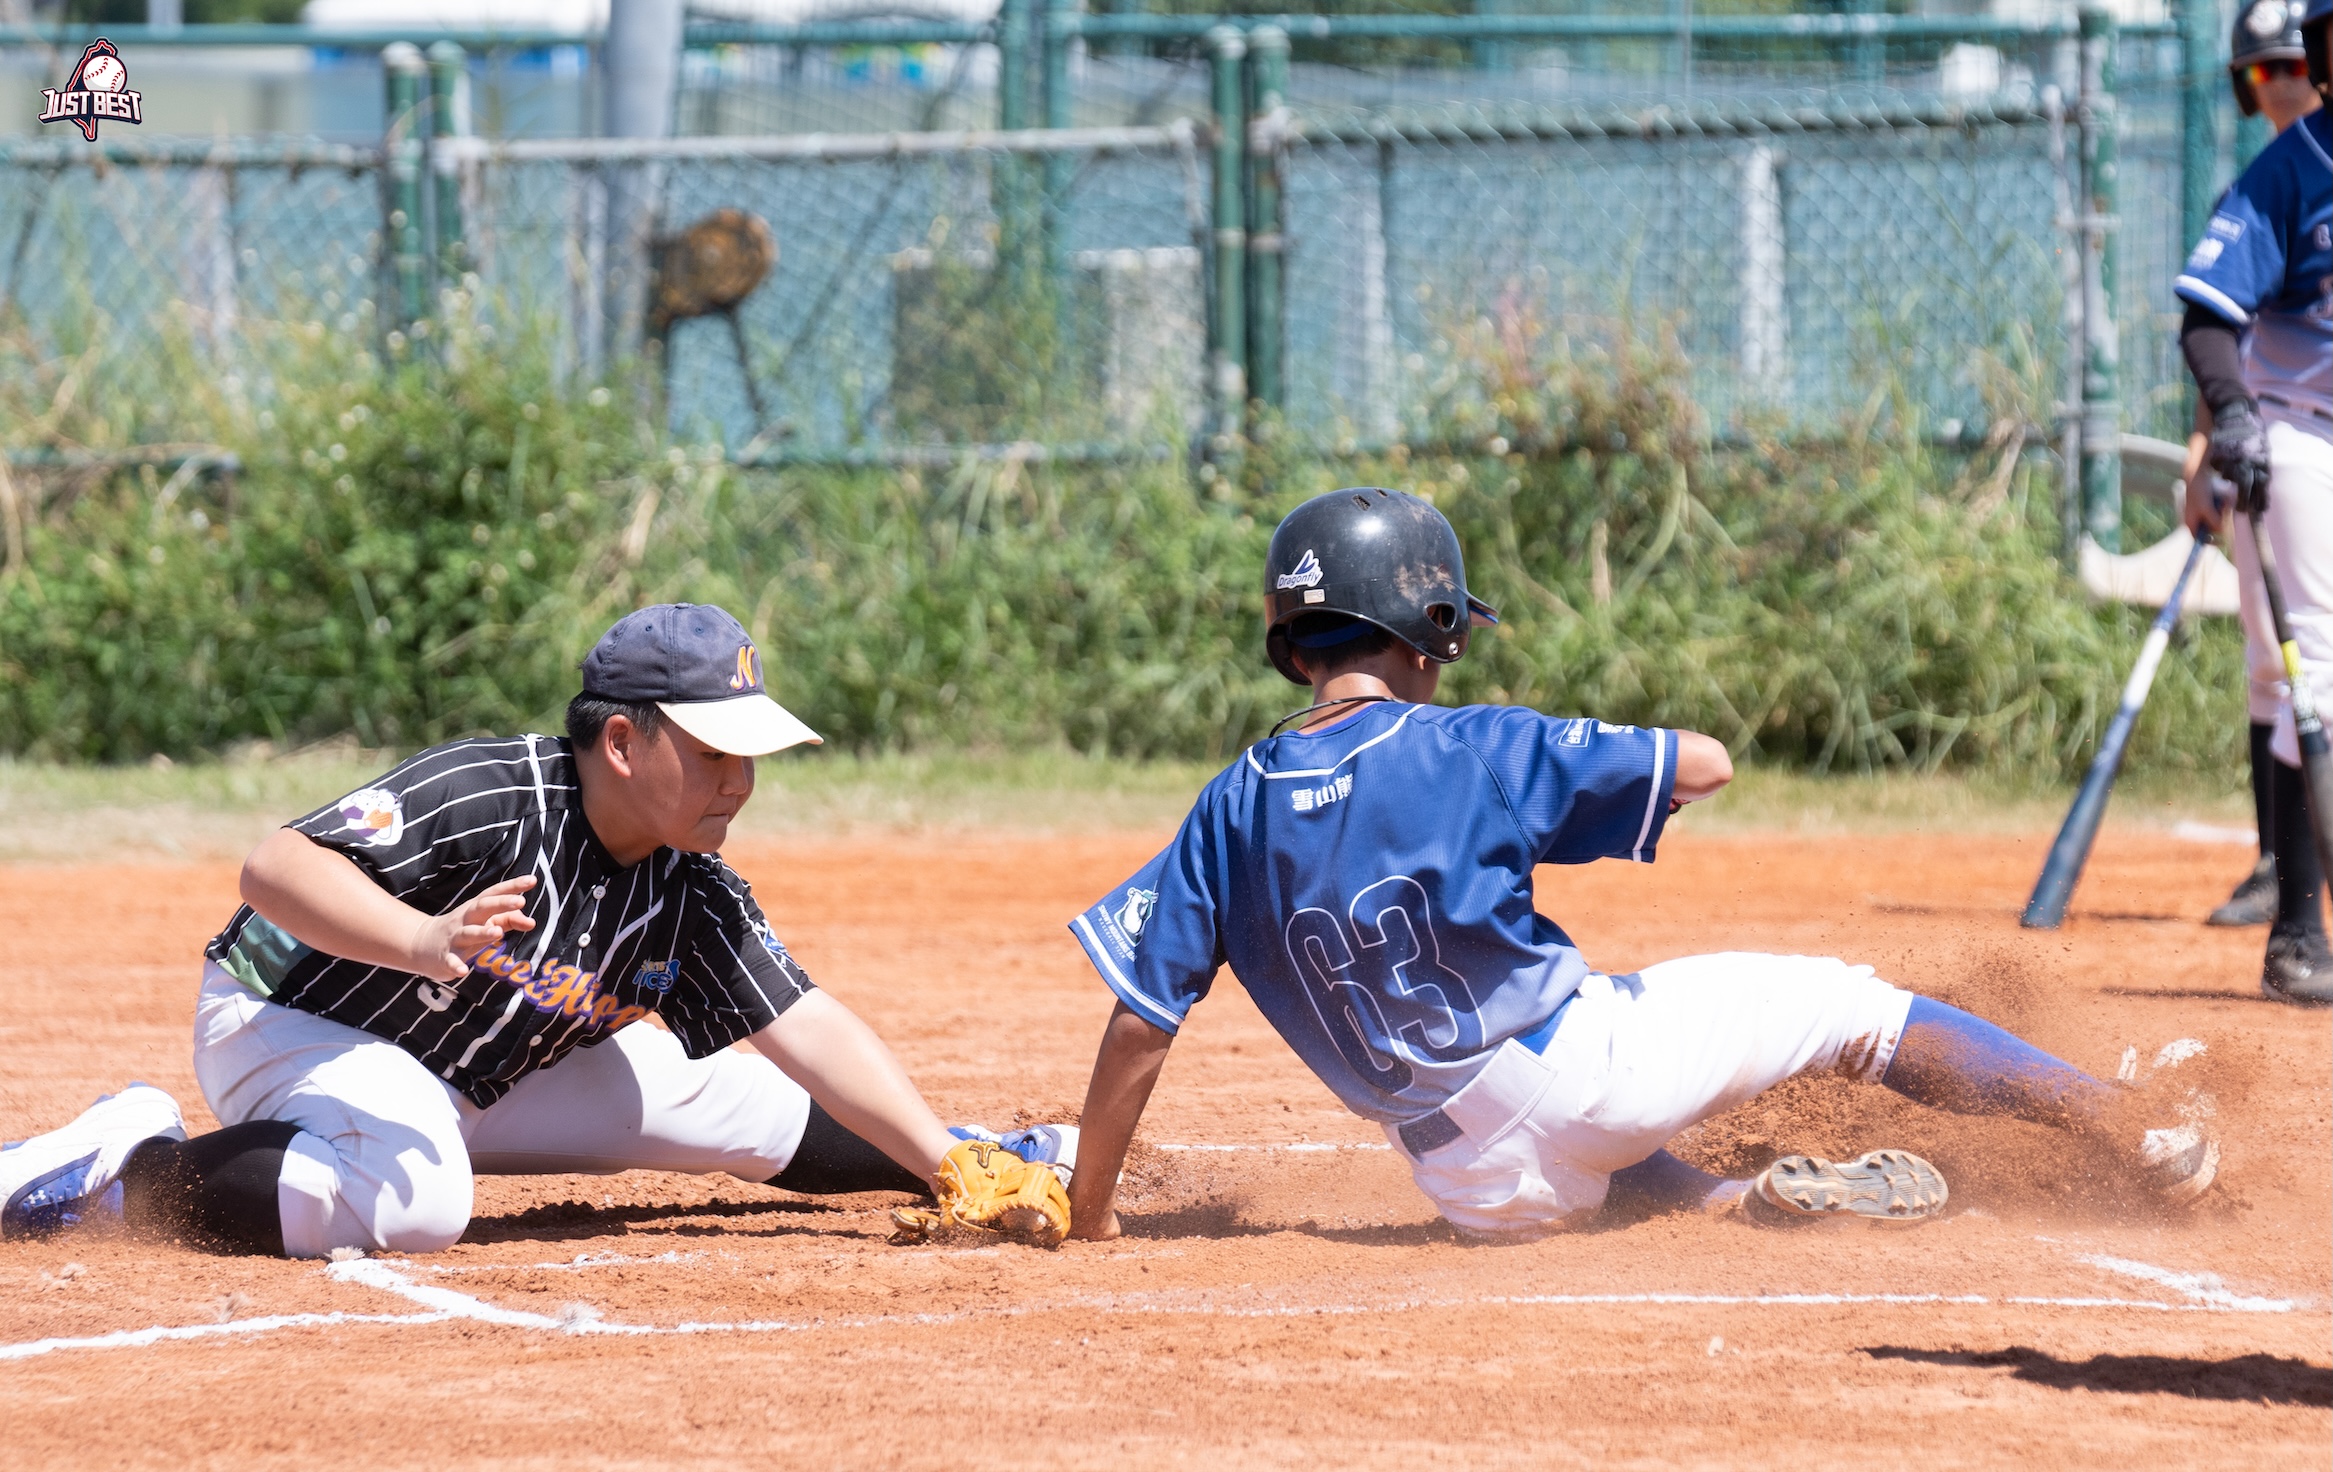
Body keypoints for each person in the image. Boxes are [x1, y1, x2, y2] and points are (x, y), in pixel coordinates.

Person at [1060, 489, 2220, 1242]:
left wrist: (1092, 1210)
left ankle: (1733, 1204)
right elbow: (1704, 765)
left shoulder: (1229, 801)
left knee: (1585, 1149)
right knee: (1848, 1010)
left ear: (1287, 640)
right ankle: (2132, 1127)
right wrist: (1578, 747)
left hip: (1467, 1186)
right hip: (1579, 1073)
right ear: (1429, 630)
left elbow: (1138, 1024)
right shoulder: (1468, 742)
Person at [1, 604, 1071, 1252]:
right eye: (711, 753)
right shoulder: (495, 793)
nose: (738, 782)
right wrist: (420, 939)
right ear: (620, 740)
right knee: (416, 1200)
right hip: (289, 1020)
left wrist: (940, 1160)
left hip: (471, 1069)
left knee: (735, 1098)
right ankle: (126, 1169)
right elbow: (273, 865)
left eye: (748, 756)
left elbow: (806, 1024)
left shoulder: (691, 884)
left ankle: (965, 1155)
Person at [2175, 0, 2333, 1004]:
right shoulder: (2292, 167)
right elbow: (2205, 313)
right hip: (2295, 430)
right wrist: (2227, 415)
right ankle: (2297, 932)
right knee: (2309, 665)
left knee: (2295, 680)